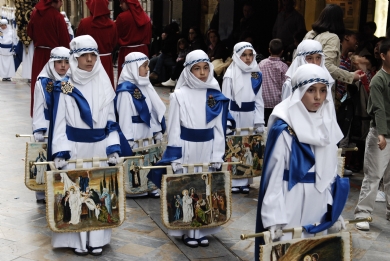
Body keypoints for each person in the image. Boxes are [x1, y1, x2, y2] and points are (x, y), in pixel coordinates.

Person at [254, 64, 349, 260]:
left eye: (323, 91)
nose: (318, 97)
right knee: (290, 251)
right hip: (290, 200)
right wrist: (274, 219)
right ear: (298, 92)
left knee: (315, 250)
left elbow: (330, 171)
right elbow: (274, 177)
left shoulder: (327, 124)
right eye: (311, 90)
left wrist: (335, 210)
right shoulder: (284, 129)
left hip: (320, 200)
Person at [149, 50, 230, 248]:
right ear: (188, 71)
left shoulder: (215, 94)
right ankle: (188, 230)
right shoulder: (179, 96)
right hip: (186, 147)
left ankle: (201, 229)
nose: (202, 73)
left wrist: (218, 153)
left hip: (208, 146)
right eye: (196, 69)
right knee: (188, 184)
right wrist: (175, 156)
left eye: (205, 68)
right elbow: (175, 127)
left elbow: (219, 128)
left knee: (205, 186)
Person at [50, 35, 121, 256]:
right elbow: (60, 119)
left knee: (97, 192)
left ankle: (97, 238)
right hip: (75, 148)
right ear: (75, 58)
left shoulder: (104, 81)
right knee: (76, 194)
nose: (89, 60)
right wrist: (60, 150)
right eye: (84, 56)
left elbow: (110, 119)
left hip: (99, 148)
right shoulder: (66, 85)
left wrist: (113, 147)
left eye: (93, 55)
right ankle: (77, 240)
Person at [115, 52, 166, 197]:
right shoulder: (125, 91)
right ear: (133, 67)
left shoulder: (145, 85)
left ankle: (150, 185)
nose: (148, 69)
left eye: (147, 66)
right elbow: (124, 117)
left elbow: (152, 111)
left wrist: (157, 130)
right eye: (144, 66)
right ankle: (136, 188)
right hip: (135, 132)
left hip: (147, 130)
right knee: (137, 161)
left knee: (149, 158)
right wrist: (128, 140)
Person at [354, 38, 390, 231]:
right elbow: (378, 109)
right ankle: (363, 213)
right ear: (383, 56)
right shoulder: (378, 80)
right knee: (374, 175)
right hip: (380, 132)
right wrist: (382, 135)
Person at [222, 42, 264, 194]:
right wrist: (226, 121)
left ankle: (246, 179)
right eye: (244, 55)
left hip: (250, 116)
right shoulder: (230, 74)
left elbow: (259, 99)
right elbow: (225, 99)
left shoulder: (256, 73)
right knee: (235, 148)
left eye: (250, 55)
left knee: (248, 149)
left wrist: (259, 120)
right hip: (235, 116)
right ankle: (234, 180)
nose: (247, 58)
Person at [32, 46, 70, 202]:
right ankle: (42, 192)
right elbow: (39, 106)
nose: (63, 65)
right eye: (59, 62)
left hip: (65, 125)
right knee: (45, 158)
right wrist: (39, 128)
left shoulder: (70, 81)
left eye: (66, 62)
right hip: (47, 125)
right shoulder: (42, 82)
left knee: (63, 157)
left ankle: (61, 190)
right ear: (51, 63)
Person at [27, 0, 70, 117]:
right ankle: (59, 110)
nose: (61, 4)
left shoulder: (35, 14)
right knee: (58, 81)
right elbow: (65, 40)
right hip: (55, 57)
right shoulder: (57, 17)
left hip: (39, 54)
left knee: (40, 83)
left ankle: (38, 112)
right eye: (60, 1)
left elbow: (29, 32)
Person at [304, 4, 362, 89]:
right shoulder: (332, 37)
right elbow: (326, 65)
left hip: (304, 83)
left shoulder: (310, 34)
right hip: (319, 87)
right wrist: (351, 76)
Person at [77, 0, 118, 88]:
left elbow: (78, 41)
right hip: (106, 59)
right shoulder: (112, 24)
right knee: (106, 87)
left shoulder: (84, 23)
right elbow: (115, 42)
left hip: (89, 59)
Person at [116, 0, 152, 81]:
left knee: (126, 78)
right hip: (143, 51)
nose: (120, 5)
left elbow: (116, 36)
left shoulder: (122, 17)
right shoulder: (146, 17)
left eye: (122, 3)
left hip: (127, 51)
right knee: (142, 77)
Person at [258, 38, 288, 123]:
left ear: (269, 50)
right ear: (282, 51)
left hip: (263, 102)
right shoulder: (283, 66)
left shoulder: (261, 64)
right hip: (278, 103)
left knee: (264, 125)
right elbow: (287, 86)